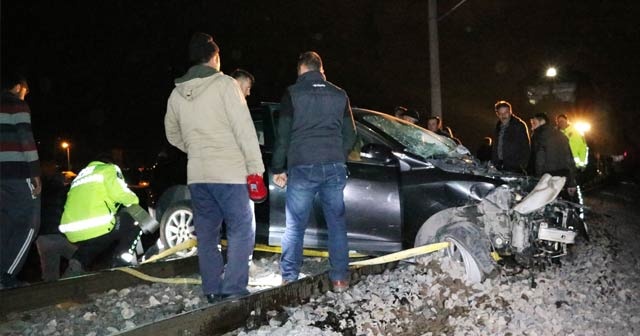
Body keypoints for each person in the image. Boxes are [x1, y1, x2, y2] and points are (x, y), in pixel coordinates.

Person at [165, 32, 265, 303]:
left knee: (207, 235)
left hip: (198, 175)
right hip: (230, 174)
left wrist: (197, 149)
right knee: (241, 229)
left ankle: (211, 289)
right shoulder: (225, 85)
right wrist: (256, 167)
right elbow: (244, 129)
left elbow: (171, 134)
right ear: (215, 57)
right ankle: (233, 288)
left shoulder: (176, 94)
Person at [271, 51, 356, 292]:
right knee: (337, 224)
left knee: (295, 225)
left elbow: (283, 136)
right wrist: (338, 154)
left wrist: (278, 167)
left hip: (302, 165)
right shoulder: (340, 94)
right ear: (321, 69)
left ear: (301, 70)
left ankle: (289, 277)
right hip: (334, 166)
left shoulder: (292, 93)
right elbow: (351, 134)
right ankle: (340, 279)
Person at [58, 153, 142, 276]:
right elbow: (120, 193)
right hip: (97, 224)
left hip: (72, 230)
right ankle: (121, 262)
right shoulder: (109, 169)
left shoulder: (79, 177)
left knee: (97, 238)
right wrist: (135, 201)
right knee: (134, 217)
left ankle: (78, 261)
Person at [0, 73, 41, 289]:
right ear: (18, 87)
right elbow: (25, 137)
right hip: (18, 173)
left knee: (5, 224)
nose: (25, 95)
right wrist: (35, 172)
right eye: (25, 91)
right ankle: (6, 275)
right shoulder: (17, 105)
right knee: (30, 224)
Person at [529, 113, 576, 196]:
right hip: (561, 178)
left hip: (545, 179)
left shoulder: (538, 136)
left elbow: (539, 160)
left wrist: (536, 179)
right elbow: (569, 159)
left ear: (542, 122)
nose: (532, 127)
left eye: (534, 123)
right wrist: (571, 182)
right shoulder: (561, 135)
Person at [491, 100, 531, 174]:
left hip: (514, 167)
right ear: (497, 114)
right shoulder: (498, 126)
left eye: (505, 113)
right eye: (500, 113)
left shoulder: (518, 125)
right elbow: (495, 146)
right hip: (499, 166)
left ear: (510, 112)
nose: (503, 115)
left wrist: (522, 165)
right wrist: (494, 162)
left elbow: (525, 146)